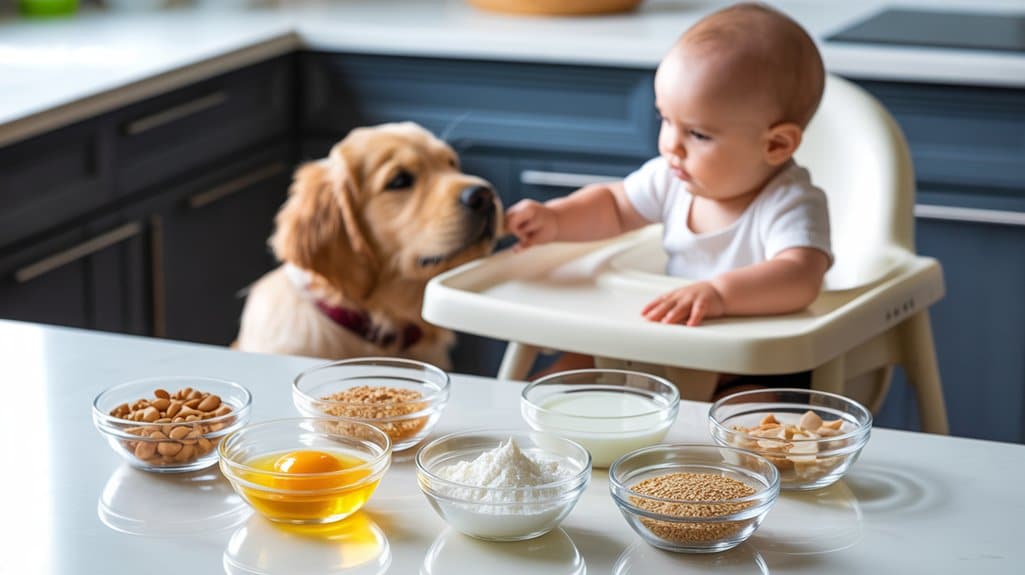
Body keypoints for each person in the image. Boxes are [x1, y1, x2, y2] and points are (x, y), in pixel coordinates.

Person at [504, 3, 831, 388]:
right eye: (665, 119)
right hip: (669, 343)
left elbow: (800, 275)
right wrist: (555, 219)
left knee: (747, 419)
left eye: (697, 134)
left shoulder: (790, 201)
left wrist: (719, 295)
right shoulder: (673, 178)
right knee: (565, 374)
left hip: (751, 364)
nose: (670, 145)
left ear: (776, 144)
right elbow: (615, 206)